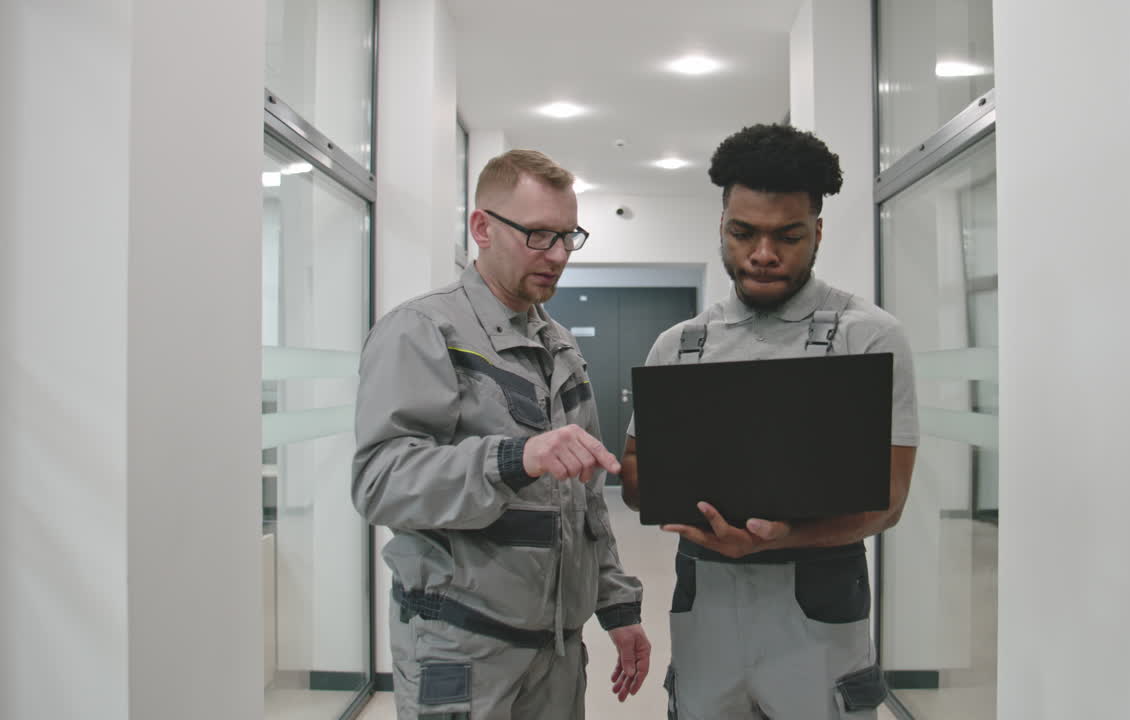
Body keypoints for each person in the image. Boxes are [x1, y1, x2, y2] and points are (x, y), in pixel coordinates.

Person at [620, 124, 919, 719]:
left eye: (788, 235)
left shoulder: (867, 338)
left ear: (818, 232)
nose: (763, 254)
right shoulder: (681, 346)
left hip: (817, 613)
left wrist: (786, 536)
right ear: (722, 228)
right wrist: (670, 492)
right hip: (705, 611)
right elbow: (634, 472)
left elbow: (889, 501)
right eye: (743, 232)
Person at [353, 149, 650, 720]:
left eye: (569, 236)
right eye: (539, 236)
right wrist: (514, 458)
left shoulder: (559, 343)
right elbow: (381, 482)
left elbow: (584, 500)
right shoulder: (423, 331)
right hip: (463, 652)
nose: (559, 255)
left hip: (557, 652)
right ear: (482, 228)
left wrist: (617, 607)